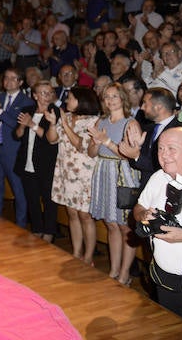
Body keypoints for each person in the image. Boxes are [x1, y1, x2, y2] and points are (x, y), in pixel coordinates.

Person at [87, 83, 140, 286]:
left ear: (123, 98)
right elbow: (92, 153)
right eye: (107, 97)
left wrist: (107, 141)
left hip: (122, 174)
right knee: (111, 224)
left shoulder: (131, 124)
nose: (110, 100)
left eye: (114, 96)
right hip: (103, 172)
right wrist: (95, 143)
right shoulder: (101, 121)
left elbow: (131, 157)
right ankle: (114, 269)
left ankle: (125, 273)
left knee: (125, 226)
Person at [132, 127, 182, 318]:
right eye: (160, 148)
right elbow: (138, 208)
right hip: (164, 278)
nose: (164, 155)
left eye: (171, 148)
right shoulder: (158, 178)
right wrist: (144, 215)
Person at [47, 87, 101, 265]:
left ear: (81, 101)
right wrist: (54, 124)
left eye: (70, 98)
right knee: (71, 214)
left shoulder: (94, 121)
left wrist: (66, 125)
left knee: (85, 216)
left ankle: (89, 255)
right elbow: (51, 139)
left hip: (84, 175)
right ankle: (77, 251)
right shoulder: (67, 118)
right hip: (66, 172)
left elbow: (81, 145)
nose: (66, 101)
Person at [0, 67, 35, 227]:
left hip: (13, 150)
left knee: (18, 189)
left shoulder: (26, 101)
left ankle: (21, 224)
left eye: (13, 78)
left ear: (20, 82)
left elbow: (17, 124)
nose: (8, 81)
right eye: (6, 77)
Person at [14, 80, 60, 242]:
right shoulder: (28, 110)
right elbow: (17, 135)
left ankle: (49, 231)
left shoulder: (56, 112)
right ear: (35, 96)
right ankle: (37, 228)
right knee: (32, 198)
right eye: (43, 93)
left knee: (48, 200)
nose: (47, 96)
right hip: (27, 161)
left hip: (47, 163)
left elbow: (49, 139)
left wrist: (32, 124)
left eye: (50, 93)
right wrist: (22, 126)